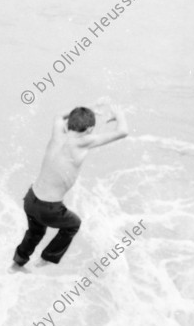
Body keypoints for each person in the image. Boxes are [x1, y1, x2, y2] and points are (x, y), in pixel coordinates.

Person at [13, 104, 129, 267]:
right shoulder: (83, 142)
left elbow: (59, 114)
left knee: (35, 232)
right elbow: (123, 132)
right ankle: (46, 258)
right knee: (73, 224)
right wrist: (119, 113)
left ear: (69, 123)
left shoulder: (58, 133)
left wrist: (82, 110)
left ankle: (17, 264)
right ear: (89, 129)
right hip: (49, 208)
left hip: (31, 199)